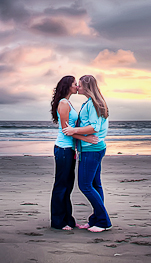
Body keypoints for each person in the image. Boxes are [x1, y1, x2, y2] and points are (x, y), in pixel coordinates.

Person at [63, 74, 111, 232]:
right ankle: (96, 219)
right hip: (92, 148)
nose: (78, 87)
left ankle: (103, 221)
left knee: (85, 185)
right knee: (95, 185)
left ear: (87, 87)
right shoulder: (91, 103)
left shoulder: (93, 104)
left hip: (92, 150)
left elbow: (94, 127)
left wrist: (73, 130)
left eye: (80, 85)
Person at [49, 75, 98, 230]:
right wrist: (86, 138)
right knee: (61, 186)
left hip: (69, 149)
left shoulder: (68, 102)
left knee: (68, 186)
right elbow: (66, 131)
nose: (77, 87)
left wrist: (76, 146)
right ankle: (58, 222)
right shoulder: (63, 103)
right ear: (68, 86)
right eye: (75, 84)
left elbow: (70, 129)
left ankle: (68, 219)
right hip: (63, 149)